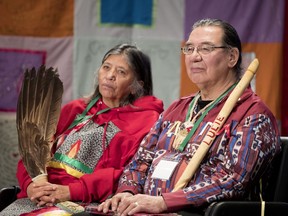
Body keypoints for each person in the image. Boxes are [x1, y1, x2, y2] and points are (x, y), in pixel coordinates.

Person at [97, 18, 281, 215]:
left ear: (232, 57)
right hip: (147, 210)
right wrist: (128, 192)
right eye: (189, 49)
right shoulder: (177, 108)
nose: (194, 57)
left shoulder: (252, 115)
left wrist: (164, 202)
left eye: (205, 49)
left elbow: (232, 181)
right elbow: (140, 161)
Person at [15, 44, 164, 208]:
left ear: (137, 86)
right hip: (39, 196)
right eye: (106, 67)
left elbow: (132, 174)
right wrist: (32, 186)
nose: (110, 76)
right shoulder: (75, 109)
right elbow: (32, 150)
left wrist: (70, 191)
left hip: (88, 202)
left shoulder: (147, 120)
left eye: (121, 72)